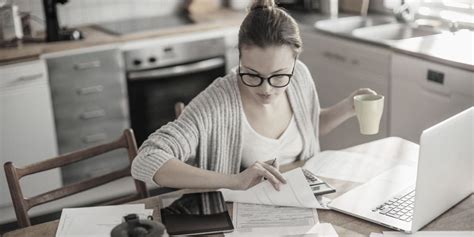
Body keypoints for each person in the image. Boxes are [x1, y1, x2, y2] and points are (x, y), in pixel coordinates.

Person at [131, 0, 376, 191]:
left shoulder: (300, 77)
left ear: (295, 61)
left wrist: (348, 107)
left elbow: (309, 124)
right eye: (252, 74)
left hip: (302, 200)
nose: (266, 89)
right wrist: (234, 181)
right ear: (239, 58)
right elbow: (146, 160)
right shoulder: (218, 102)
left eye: (279, 76)